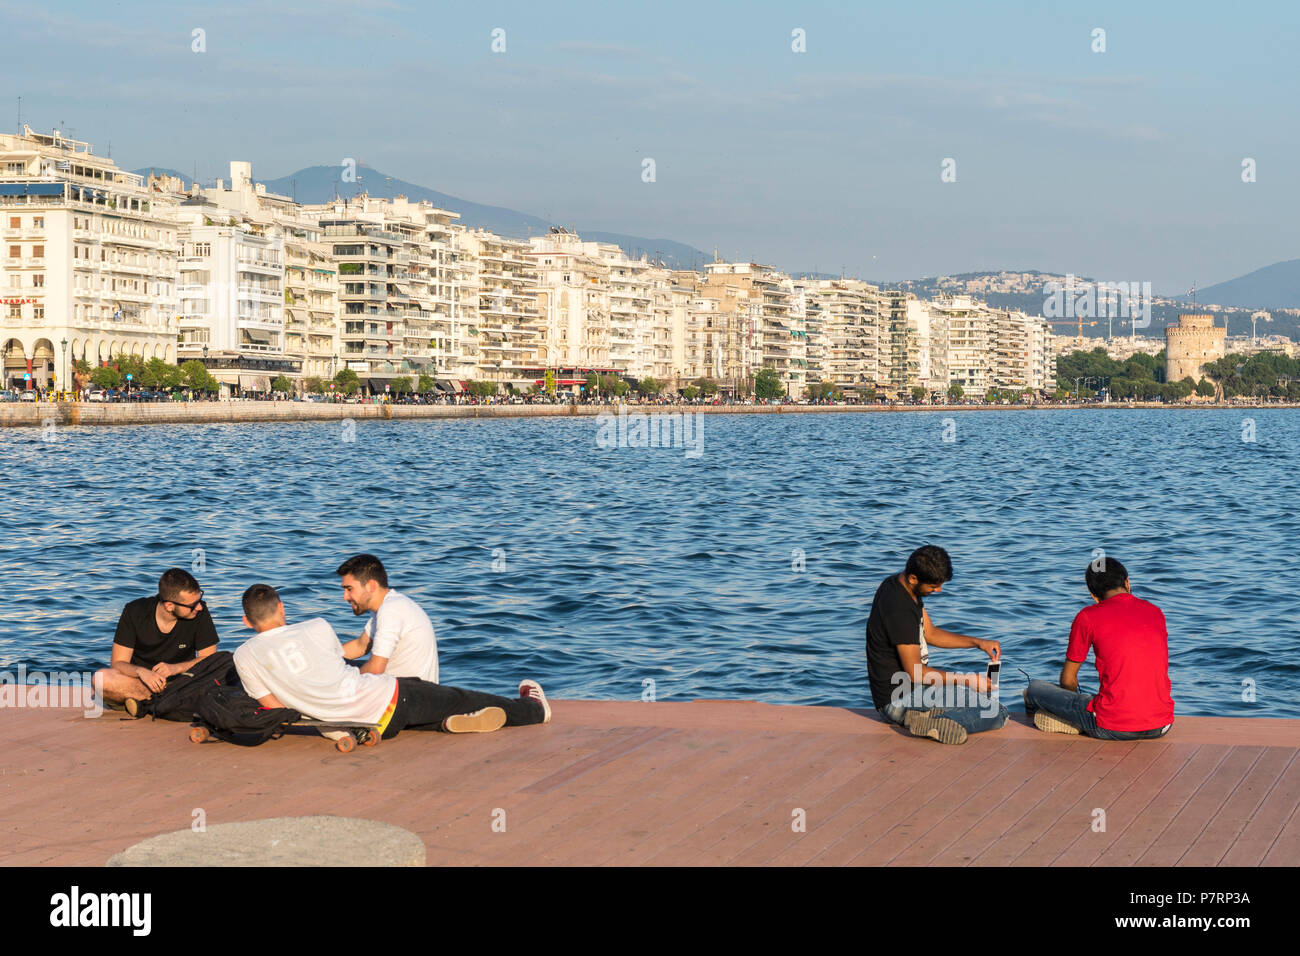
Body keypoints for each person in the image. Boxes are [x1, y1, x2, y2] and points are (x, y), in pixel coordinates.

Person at [233, 584, 549, 738]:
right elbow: (338, 664)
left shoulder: (243, 656)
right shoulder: (316, 626)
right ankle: (533, 709)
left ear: (247, 622)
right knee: (457, 697)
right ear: (282, 608)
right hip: (389, 700)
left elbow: (275, 708)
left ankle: (444, 724)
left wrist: (328, 719)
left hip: (358, 720)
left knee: (424, 704)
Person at [865, 545, 1007, 744]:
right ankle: (938, 722)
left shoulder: (900, 586)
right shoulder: (899, 610)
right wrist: (968, 680)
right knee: (995, 711)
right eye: (933, 586)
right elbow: (915, 672)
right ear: (914, 578)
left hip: (910, 693)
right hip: (899, 701)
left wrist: (977, 642)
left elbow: (930, 633)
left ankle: (925, 718)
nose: (938, 590)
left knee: (972, 695)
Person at [1024, 557, 1174, 739]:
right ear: (1127, 581)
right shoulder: (1155, 612)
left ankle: (1065, 719)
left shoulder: (1088, 616)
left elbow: (1068, 679)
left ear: (1093, 595)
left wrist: (1069, 700)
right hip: (1162, 724)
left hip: (1112, 727)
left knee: (1035, 688)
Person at [95, 568, 219, 714]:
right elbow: (118, 663)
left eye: (200, 599)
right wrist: (141, 672)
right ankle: (164, 704)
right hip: (142, 683)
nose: (198, 607)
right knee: (101, 678)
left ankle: (145, 703)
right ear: (169, 606)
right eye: (192, 605)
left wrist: (175, 668)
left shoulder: (200, 612)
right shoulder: (134, 611)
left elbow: (210, 660)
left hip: (184, 682)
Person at [335, 554, 438, 682]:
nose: (345, 597)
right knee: (334, 665)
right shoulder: (389, 605)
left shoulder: (391, 610)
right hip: (399, 687)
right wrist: (320, 658)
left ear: (371, 586)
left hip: (409, 696)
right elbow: (360, 646)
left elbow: (375, 669)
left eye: (349, 589)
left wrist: (340, 685)